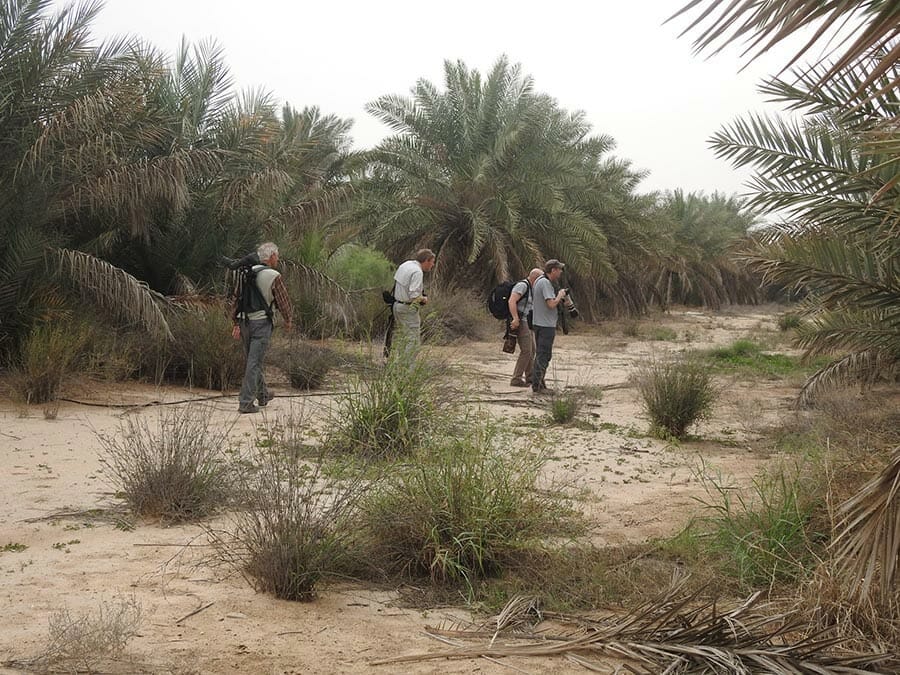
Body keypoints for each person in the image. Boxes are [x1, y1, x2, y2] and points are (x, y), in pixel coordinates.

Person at [232, 242, 293, 413]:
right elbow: (283, 301)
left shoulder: (245, 273)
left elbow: (235, 299)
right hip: (262, 324)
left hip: (244, 322)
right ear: (272, 256)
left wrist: (235, 323)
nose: (278, 259)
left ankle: (263, 394)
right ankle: (245, 403)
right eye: (277, 255)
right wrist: (288, 320)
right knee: (254, 362)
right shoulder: (274, 275)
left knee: (252, 361)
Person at [389, 248, 436, 357]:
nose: (432, 265)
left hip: (397, 306)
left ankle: (400, 366)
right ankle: (409, 369)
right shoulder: (417, 272)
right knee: (412, 341)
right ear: (427, 260)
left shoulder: (406, 265)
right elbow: (414, 294)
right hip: (407, 309)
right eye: (432, 262)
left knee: (403, 338)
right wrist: (424, 299)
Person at [531, 259, 568, 394]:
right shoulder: (545, 283)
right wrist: (559, 296)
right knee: (543, 355)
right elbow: (551, 304)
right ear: (553, 270)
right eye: (559, 269)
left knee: (543, 354)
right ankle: (537, 386)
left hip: (540, 323)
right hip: (545, 325)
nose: (561, 272)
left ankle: (540, 382)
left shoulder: (540, 281)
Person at [508, 267, 543, 387]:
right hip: (521, 322)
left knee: (532, 350)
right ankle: (516, 378)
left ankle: (530, 377)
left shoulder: (533, 289)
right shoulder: (522, 286)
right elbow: (511, 301)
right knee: (526, 350)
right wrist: (515, 318)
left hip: (528, 322)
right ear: (535, 278)